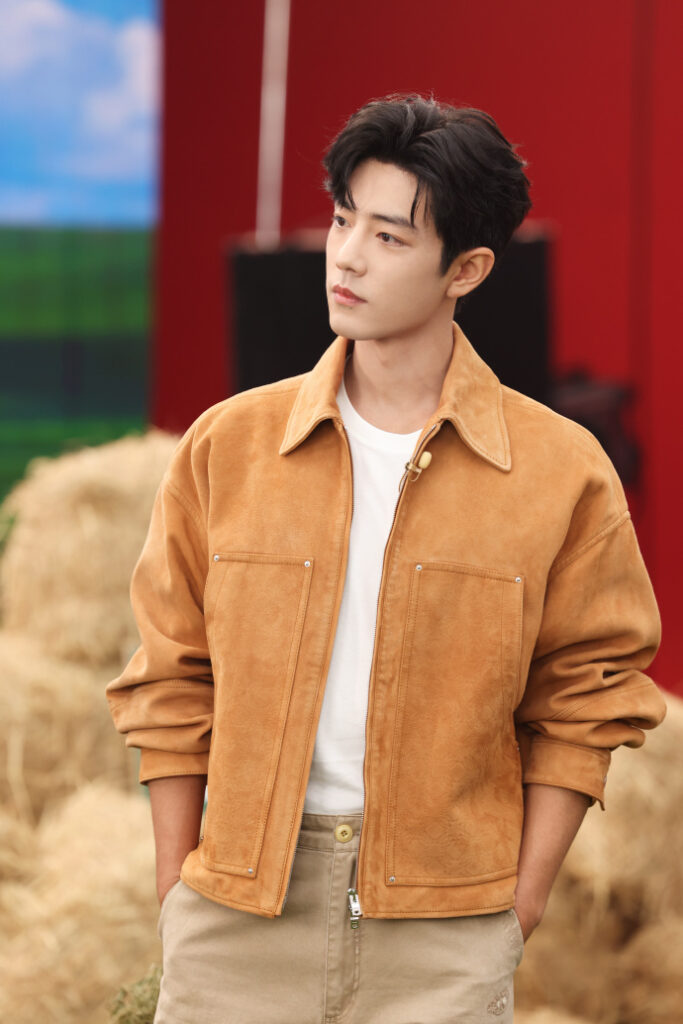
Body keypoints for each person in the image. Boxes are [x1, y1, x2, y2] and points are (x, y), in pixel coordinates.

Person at [106, 94, 666, 1023]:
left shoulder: (559, 473)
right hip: (237, 916)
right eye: (341, 220)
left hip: (444, 932)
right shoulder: (228, 446)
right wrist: (179, 891)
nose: (347, 256)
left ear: (467, 269)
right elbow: (171, 675)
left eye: (389, 236)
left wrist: (515, 911)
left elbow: (588, 695)